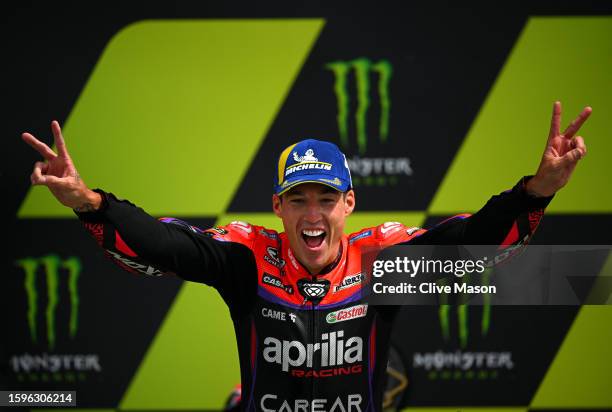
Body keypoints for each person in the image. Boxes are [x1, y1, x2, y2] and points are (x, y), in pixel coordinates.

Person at [22, 101, 591, 411]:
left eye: (325, 199)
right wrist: (89, 202)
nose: (312, 215)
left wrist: (537, 190)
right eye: (298, 200)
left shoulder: (381, 262)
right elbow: (165, 245)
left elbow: (472, 247)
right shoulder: (248, 256)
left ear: (350, 202)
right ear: (278, 206)